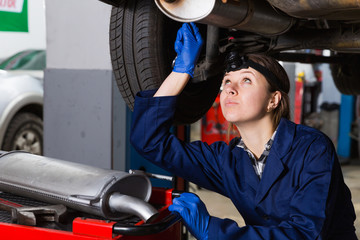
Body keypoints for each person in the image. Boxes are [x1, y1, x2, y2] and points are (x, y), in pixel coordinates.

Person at [130, 22, 357, 239]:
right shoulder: (227, 160)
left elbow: (305, 234)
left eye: (246, 80)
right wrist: (182, 70)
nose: (230, 89)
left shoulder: (311, 149)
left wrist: (214, 231)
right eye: (227, 81)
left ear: (273, 100)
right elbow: (148, 141)